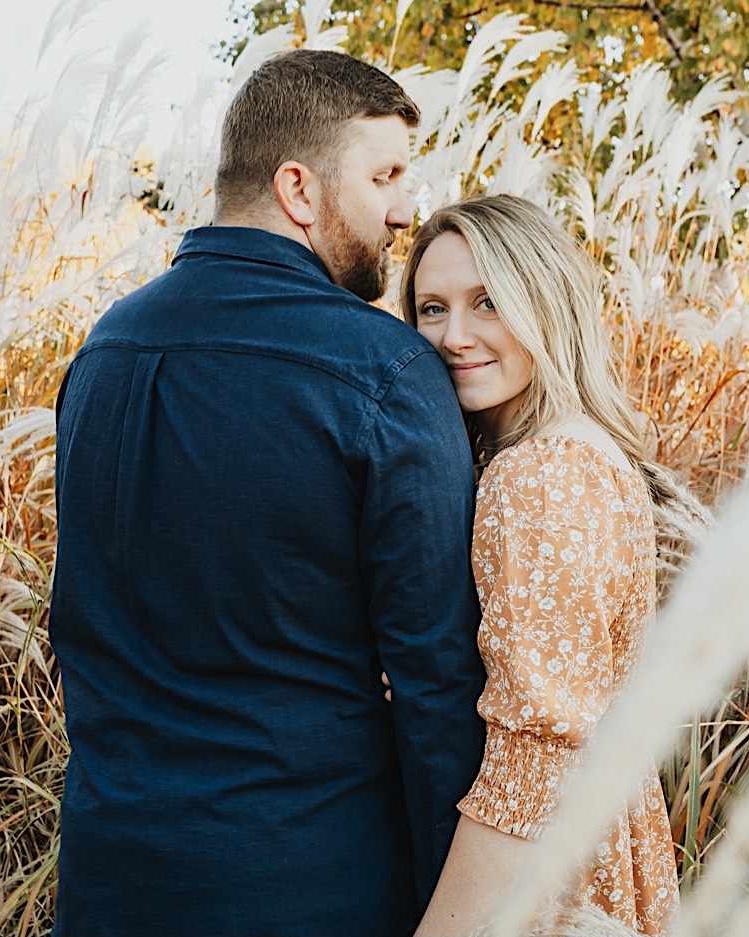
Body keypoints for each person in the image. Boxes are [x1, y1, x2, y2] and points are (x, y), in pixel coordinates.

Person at [47, 50, 487, 937]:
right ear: (298, 189)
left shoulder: (104, 351)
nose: (405, 210)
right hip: (309, 890)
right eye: (384, 176)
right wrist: (451, 910)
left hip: (109, 883)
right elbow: (438, 687)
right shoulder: (388, 372)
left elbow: (84, 627)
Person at [400, 195, 699, 936]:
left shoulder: (538, 476)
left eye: (488, 302)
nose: (454, 336)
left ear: (547, 304)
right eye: (432, 309)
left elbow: (537, 761)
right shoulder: (581, 449)